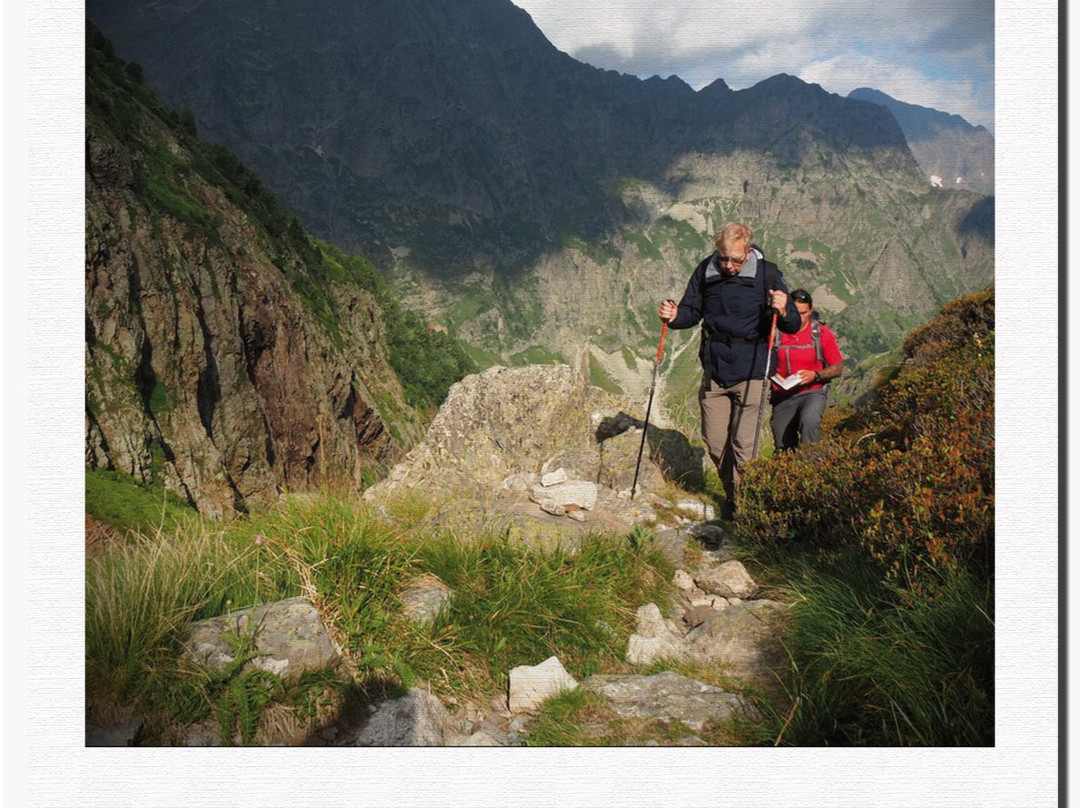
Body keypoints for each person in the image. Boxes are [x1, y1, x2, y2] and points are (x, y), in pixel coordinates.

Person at [658, 222, 800, 519]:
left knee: (744, 445)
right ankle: (736, 494)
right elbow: (691, 312)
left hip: (753, 369)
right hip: (716, 369)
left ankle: (745, 508)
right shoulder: (706, 270)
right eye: (723, 258)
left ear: (748, 252)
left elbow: (792, 325)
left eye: (736, 260)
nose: (729, 265)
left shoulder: (768, 274)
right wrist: (674, 316)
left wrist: (785, 308)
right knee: (715, 442)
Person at [769, 289, 845, 452]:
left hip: (812, 392)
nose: (800, 318)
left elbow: (838, 368)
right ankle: (788, 466)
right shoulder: (775, 332)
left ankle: (811, 461)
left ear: (810, 311)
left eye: (803, 313)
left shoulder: (821, 334)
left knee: (809, 422)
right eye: (795, 313)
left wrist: (815, 375)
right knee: (782, 444)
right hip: (782, 395)